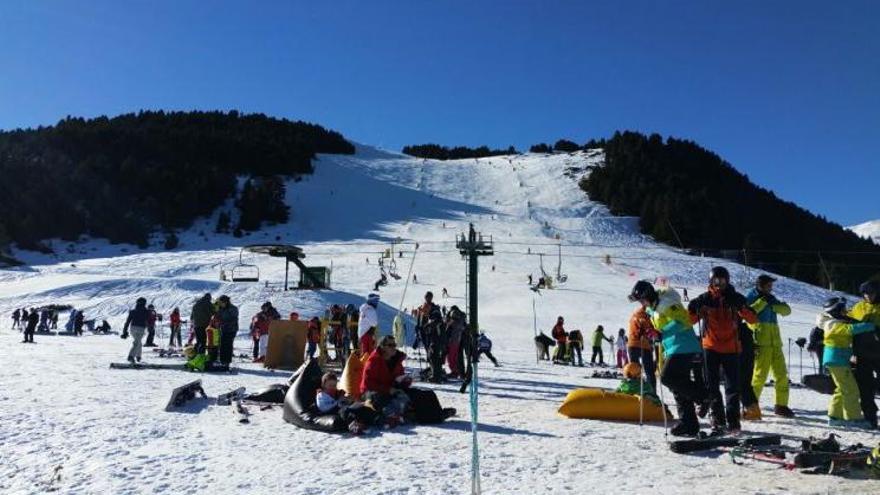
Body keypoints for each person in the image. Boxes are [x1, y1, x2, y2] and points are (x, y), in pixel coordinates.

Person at [630, 280, 706, 437]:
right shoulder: (653, 309)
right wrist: (654, 334)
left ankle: (704, 396)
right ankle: (689, 424)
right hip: (672, 348)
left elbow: (684, 321)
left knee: (667, 378)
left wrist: (661, 333)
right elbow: (660, 327)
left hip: (684, 346)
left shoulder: (666, 303)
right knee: (678, 388)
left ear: (648, 295)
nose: (642, 304)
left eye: (642, 300)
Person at [688, 266, 758, 434]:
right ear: (711, 282)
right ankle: (718, 419)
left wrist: (742, 307)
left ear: (727, 281)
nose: (719, 284)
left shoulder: (735, 299)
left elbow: (753, 319)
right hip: (710, 347)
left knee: (733, 386)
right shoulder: (705, 300)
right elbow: (690, 320)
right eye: (716, 281)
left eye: (722, 281)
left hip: (731, 348)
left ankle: (733, 421)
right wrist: (692, 308)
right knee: (711, 385)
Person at [817, 296, 875, 428]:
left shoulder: (835, 322)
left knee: (841, 389)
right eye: (843, 310)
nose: (845, 313)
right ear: (836, 311)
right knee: (851, 390)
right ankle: (853, 419)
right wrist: (869, 325)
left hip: (839, 360)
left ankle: (834, 416)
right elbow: (849, 330)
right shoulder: (832, 325)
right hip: (836, 360)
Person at [746, 274, 794, 419]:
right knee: (759, 376)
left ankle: (781, 405)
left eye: (771, 286)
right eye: (768, 285)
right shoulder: (751, 297)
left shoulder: (771, 298)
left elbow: (787, 311)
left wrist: (773, 304)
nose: (771, 288)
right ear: (760, 285)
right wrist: (763, 302)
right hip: (761, 342)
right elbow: (748, 314)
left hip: (775, 343)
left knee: (782, 375)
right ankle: (751, 406)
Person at [360, 335, 412, 427]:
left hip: (390, 389)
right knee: (380, 398)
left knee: (419, 394)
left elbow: (399, 378)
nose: (393, 348)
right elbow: (368, 383)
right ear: (382, 347)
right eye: (390, 345)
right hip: (371, 391)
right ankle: (389, 418)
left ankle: (435, 414)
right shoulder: (374, 360)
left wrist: (406, 381)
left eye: (394, 345)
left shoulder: (396, 360)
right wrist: (388, 389)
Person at [848, 280, 880, 429]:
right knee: (865, 388)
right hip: (862, 354)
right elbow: (846, 324)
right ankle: (870, 418)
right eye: (865, 293)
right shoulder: (858, 307)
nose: (868, 296)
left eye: (871, 293)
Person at [628, 306, 658, 390]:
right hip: (643, 345)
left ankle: (635, 392)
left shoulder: (634, 315)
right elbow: (649, 330)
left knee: (634, 371)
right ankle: (652, 395)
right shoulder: (645, 316)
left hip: (632, 344)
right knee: (649, 371)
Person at [122, 297, 150, 363]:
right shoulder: (146, 311)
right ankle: (131, 356)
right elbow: (148, 321)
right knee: (137, 343)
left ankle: (138, 356)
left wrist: (125, 331)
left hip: (133, 328)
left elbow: (127, 322)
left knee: (138, 342)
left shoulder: (133, 311)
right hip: (141, 328)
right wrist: (149, 327)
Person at [215, 295, 239, 367]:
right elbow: (218, 316)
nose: (220, 304)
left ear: (225, 302)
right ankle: (222, 360)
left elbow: (234, 319)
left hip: (231, 329)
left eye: (221, 303)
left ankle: (227, 361)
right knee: (222, 344)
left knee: (228, 345)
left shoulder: (233, 308)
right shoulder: (221, 309)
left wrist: (225, 323)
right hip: (223, 329)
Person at [445, 306, 466, 377]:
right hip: (457, 341)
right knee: (455, 357)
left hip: (452, 342)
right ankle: (457, 371)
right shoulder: (461, 321)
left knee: (451, 358)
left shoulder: (452, 323)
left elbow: (447, 330)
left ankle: (454, 371)